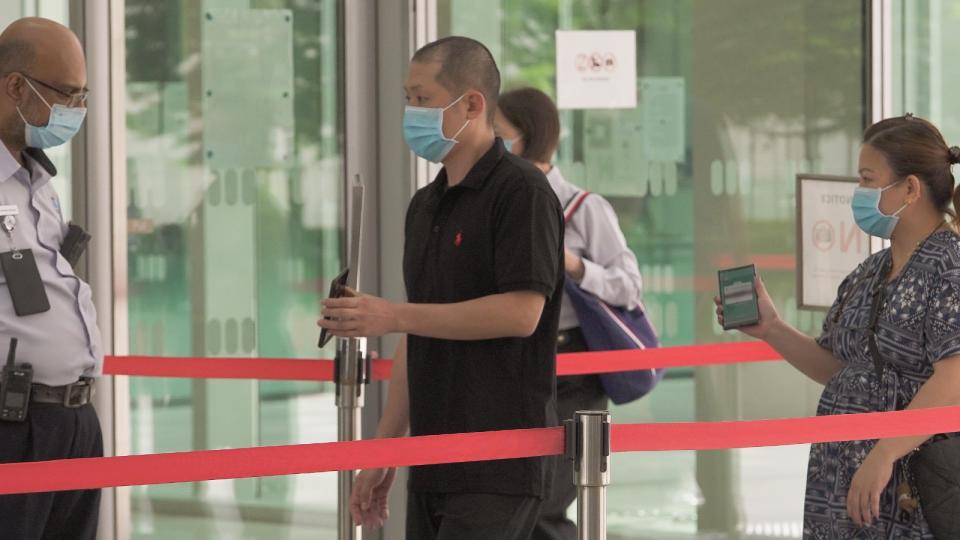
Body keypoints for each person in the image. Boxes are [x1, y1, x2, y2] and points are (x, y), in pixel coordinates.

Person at [318, 37, 565, 540]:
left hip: (498, 459)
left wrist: (395, 316)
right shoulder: (426, 204)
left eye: (423, 99)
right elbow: (419, 333)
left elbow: (522, 313)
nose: (412, 112)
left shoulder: (521, 193)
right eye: (408, 98)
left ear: (472, 103)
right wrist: (385, 451)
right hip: (432, 458)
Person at [716, 114, 960, 538]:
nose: (859, 193)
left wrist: (884, 454)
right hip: (842, 480)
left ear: (910, 188)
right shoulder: (872, 270)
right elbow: (841, 368)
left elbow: (953, 377)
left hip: (906, 483)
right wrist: (772, 328)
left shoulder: (949, 266)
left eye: (868, 180)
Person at [494, 87, 643, 540]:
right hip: (507, 364)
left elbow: (628, 286)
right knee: (509, 502)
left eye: (499, 134)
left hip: (571, 370)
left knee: (549, 503)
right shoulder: (497, 203)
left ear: (528, 136)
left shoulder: (582, 208)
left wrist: (574, 265)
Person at [0, 17, 104, 539]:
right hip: (15, 425)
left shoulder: (36, 179)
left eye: (84, 96)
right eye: (66, 94)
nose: (76, 111)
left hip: (74, 418)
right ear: (15, 86)